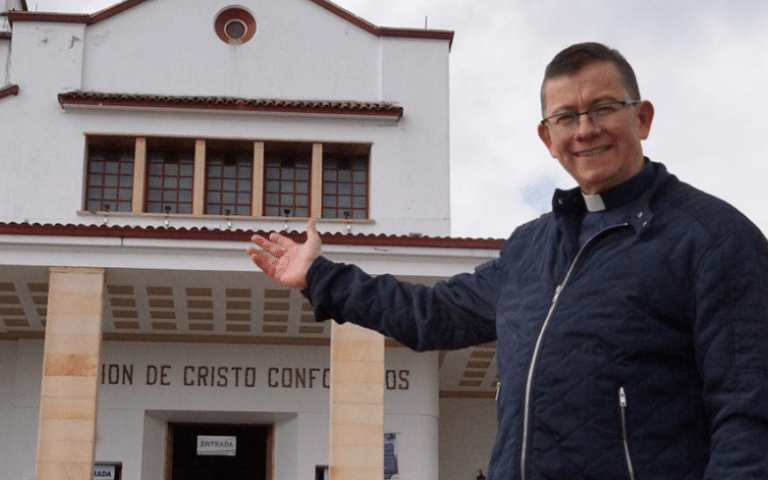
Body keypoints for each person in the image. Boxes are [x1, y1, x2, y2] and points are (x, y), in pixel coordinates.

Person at [247, 42, 768, 479]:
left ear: (644, 117)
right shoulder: (530, 248)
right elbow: (432, 314)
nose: (585, 129)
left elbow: (748, 412)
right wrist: (321, 277)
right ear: (548, 138)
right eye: (566, 116)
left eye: (604, 108)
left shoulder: (714, 240)